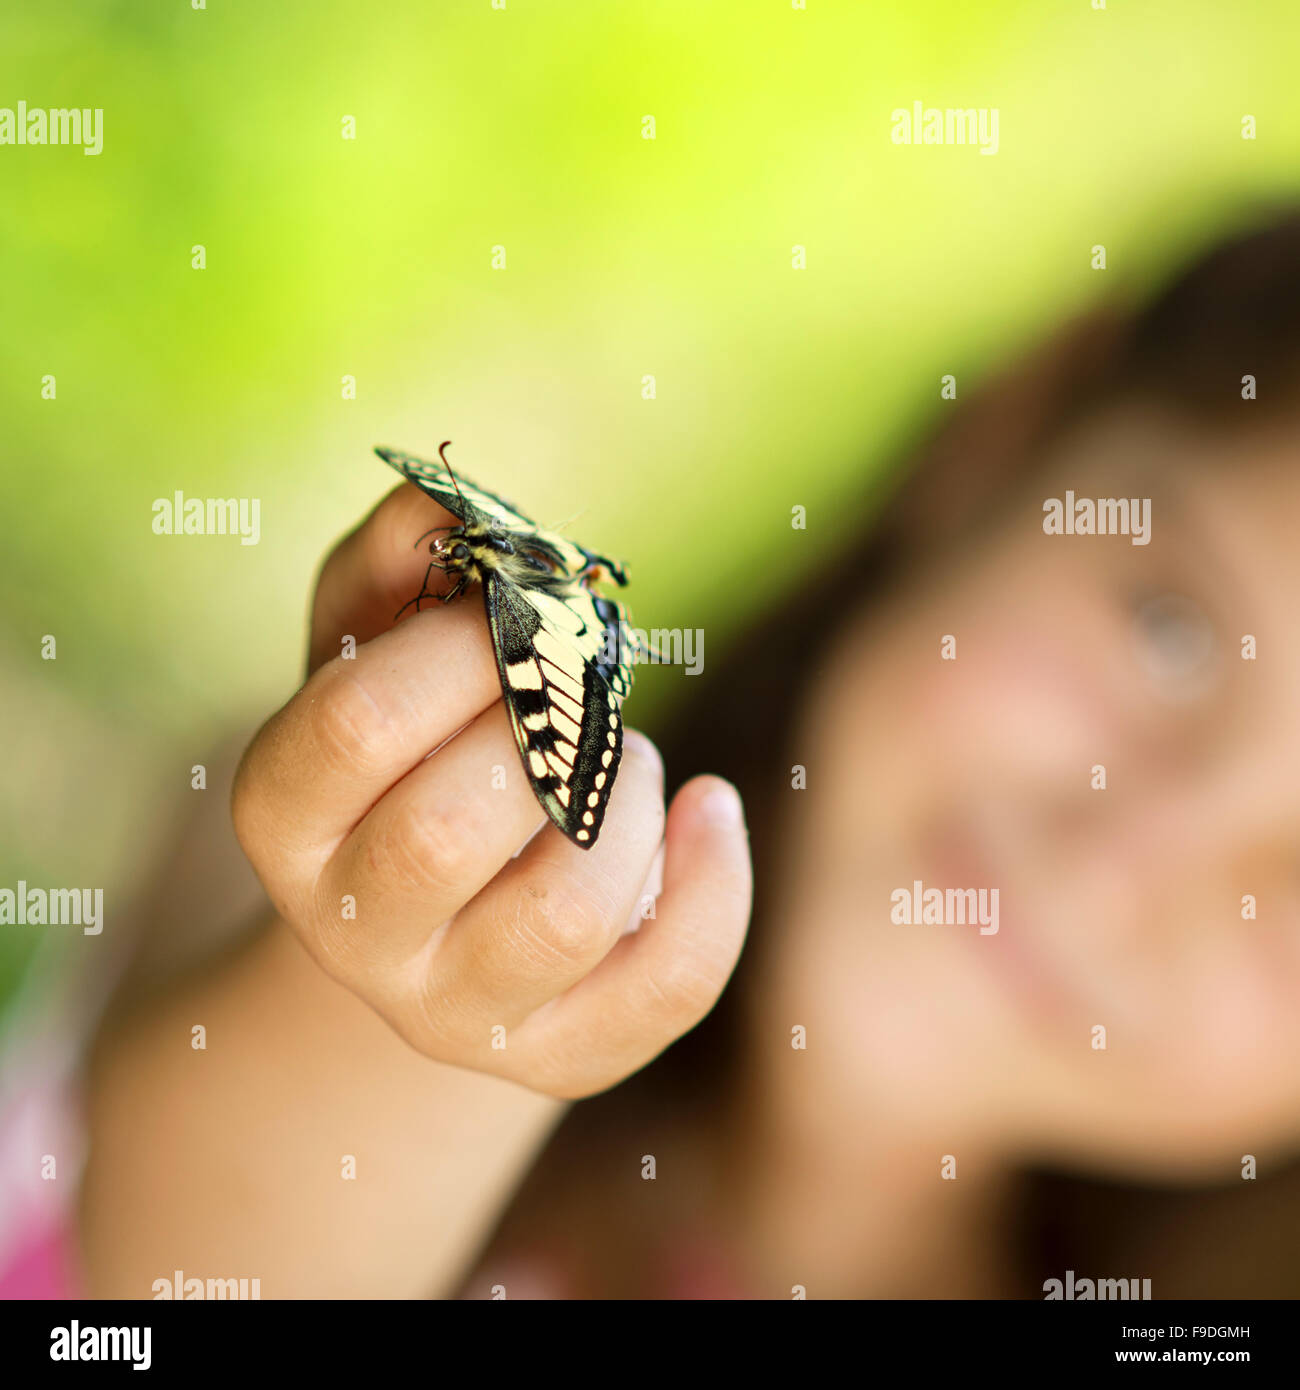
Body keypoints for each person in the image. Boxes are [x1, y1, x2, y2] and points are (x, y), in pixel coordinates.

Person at [72, 210, 1300, 1299]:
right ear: (1015, 429)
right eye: (1170, 632)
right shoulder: (260, 856)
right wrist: (429, 984)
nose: (1119, 863)